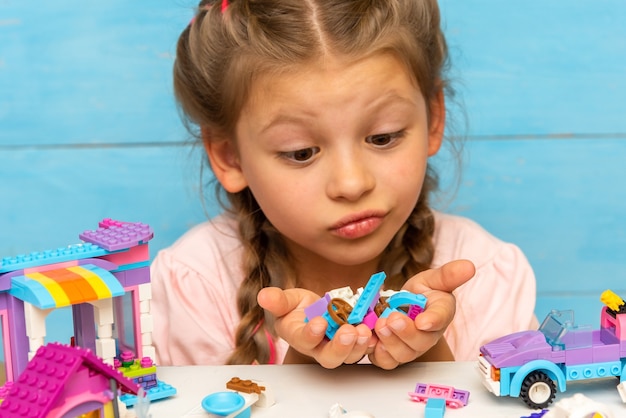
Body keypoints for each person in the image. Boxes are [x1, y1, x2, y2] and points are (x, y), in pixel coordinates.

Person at [151, 0, 537, 369]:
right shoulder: (194, 286)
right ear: (229, 156)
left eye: (383, 137)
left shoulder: (486, 277)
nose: (352, 184)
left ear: (434, 117)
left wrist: (432, 357)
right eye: (301, 152)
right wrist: (302, 368)